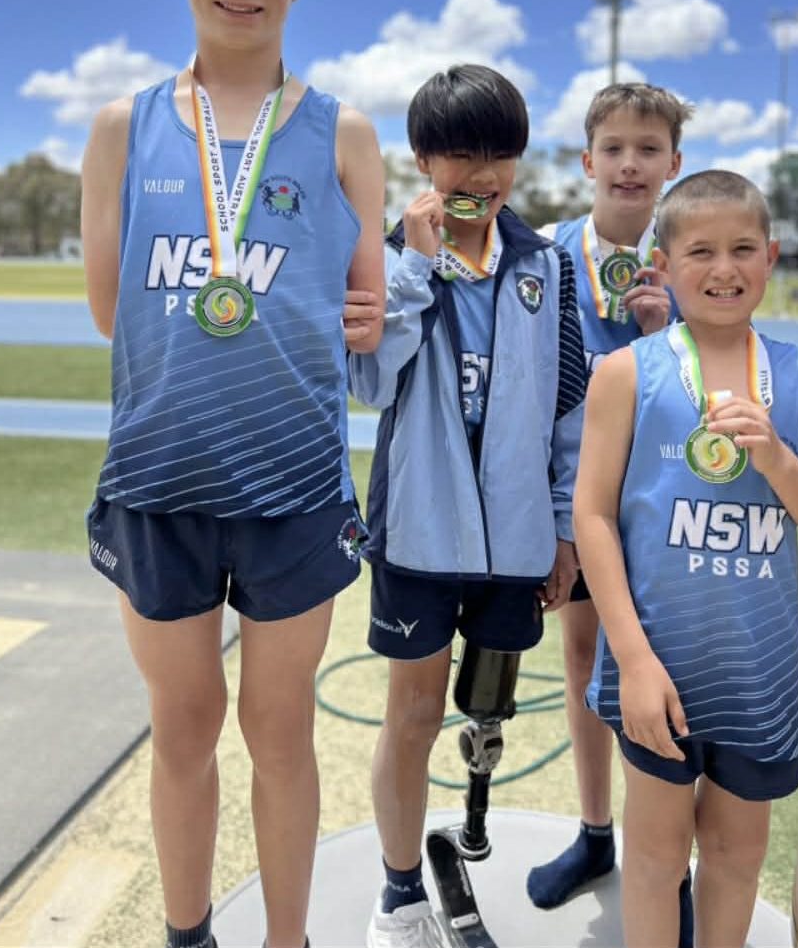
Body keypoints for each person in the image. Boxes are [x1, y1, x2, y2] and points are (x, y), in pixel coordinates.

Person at [80, 0, 385, 948]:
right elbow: (114, 312)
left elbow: (366, 318)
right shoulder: (123, 126)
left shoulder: (345, 133)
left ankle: (287, 939)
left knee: (280, 730)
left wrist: (366, 317)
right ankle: (185, 932)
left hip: (294, 486)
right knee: (183, 728)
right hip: (158, 481)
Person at [575, 170, 798, 948]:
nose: (724, 268)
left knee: (736, 856)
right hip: (656, 670)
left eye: (742, 249)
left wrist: (779, 463)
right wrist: (631, 659)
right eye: (700, 250)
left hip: (757, 675)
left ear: (770, 259)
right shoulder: (627, 372)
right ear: (663, 265)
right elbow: (593, 517)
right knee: (658, 854)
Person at [348, 64, 588, 948]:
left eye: (499, 153)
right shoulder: (389, 254)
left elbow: (568, 410)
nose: (480, 173)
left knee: (489, 702)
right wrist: (412, 267)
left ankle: (467, 821)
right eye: (459, 153)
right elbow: (369, 380)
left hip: (519, 540)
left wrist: (563, 529)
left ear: (519, 159)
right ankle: (400, 888)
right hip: (417, 531)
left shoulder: (546, 265)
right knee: (411, 713)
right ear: (423, 159)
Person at [527, 83, 692, 917]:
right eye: (615, 149)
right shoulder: (548, 254)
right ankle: (596, 833)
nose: (631, 164)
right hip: (577, 514)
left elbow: (712, 400)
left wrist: (674, 336)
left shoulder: (697, 261)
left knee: (668, 679)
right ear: (588, 161)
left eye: (648, 149)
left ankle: (670, 865)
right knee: (587, 666)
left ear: (674, 163)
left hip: (663, 518)